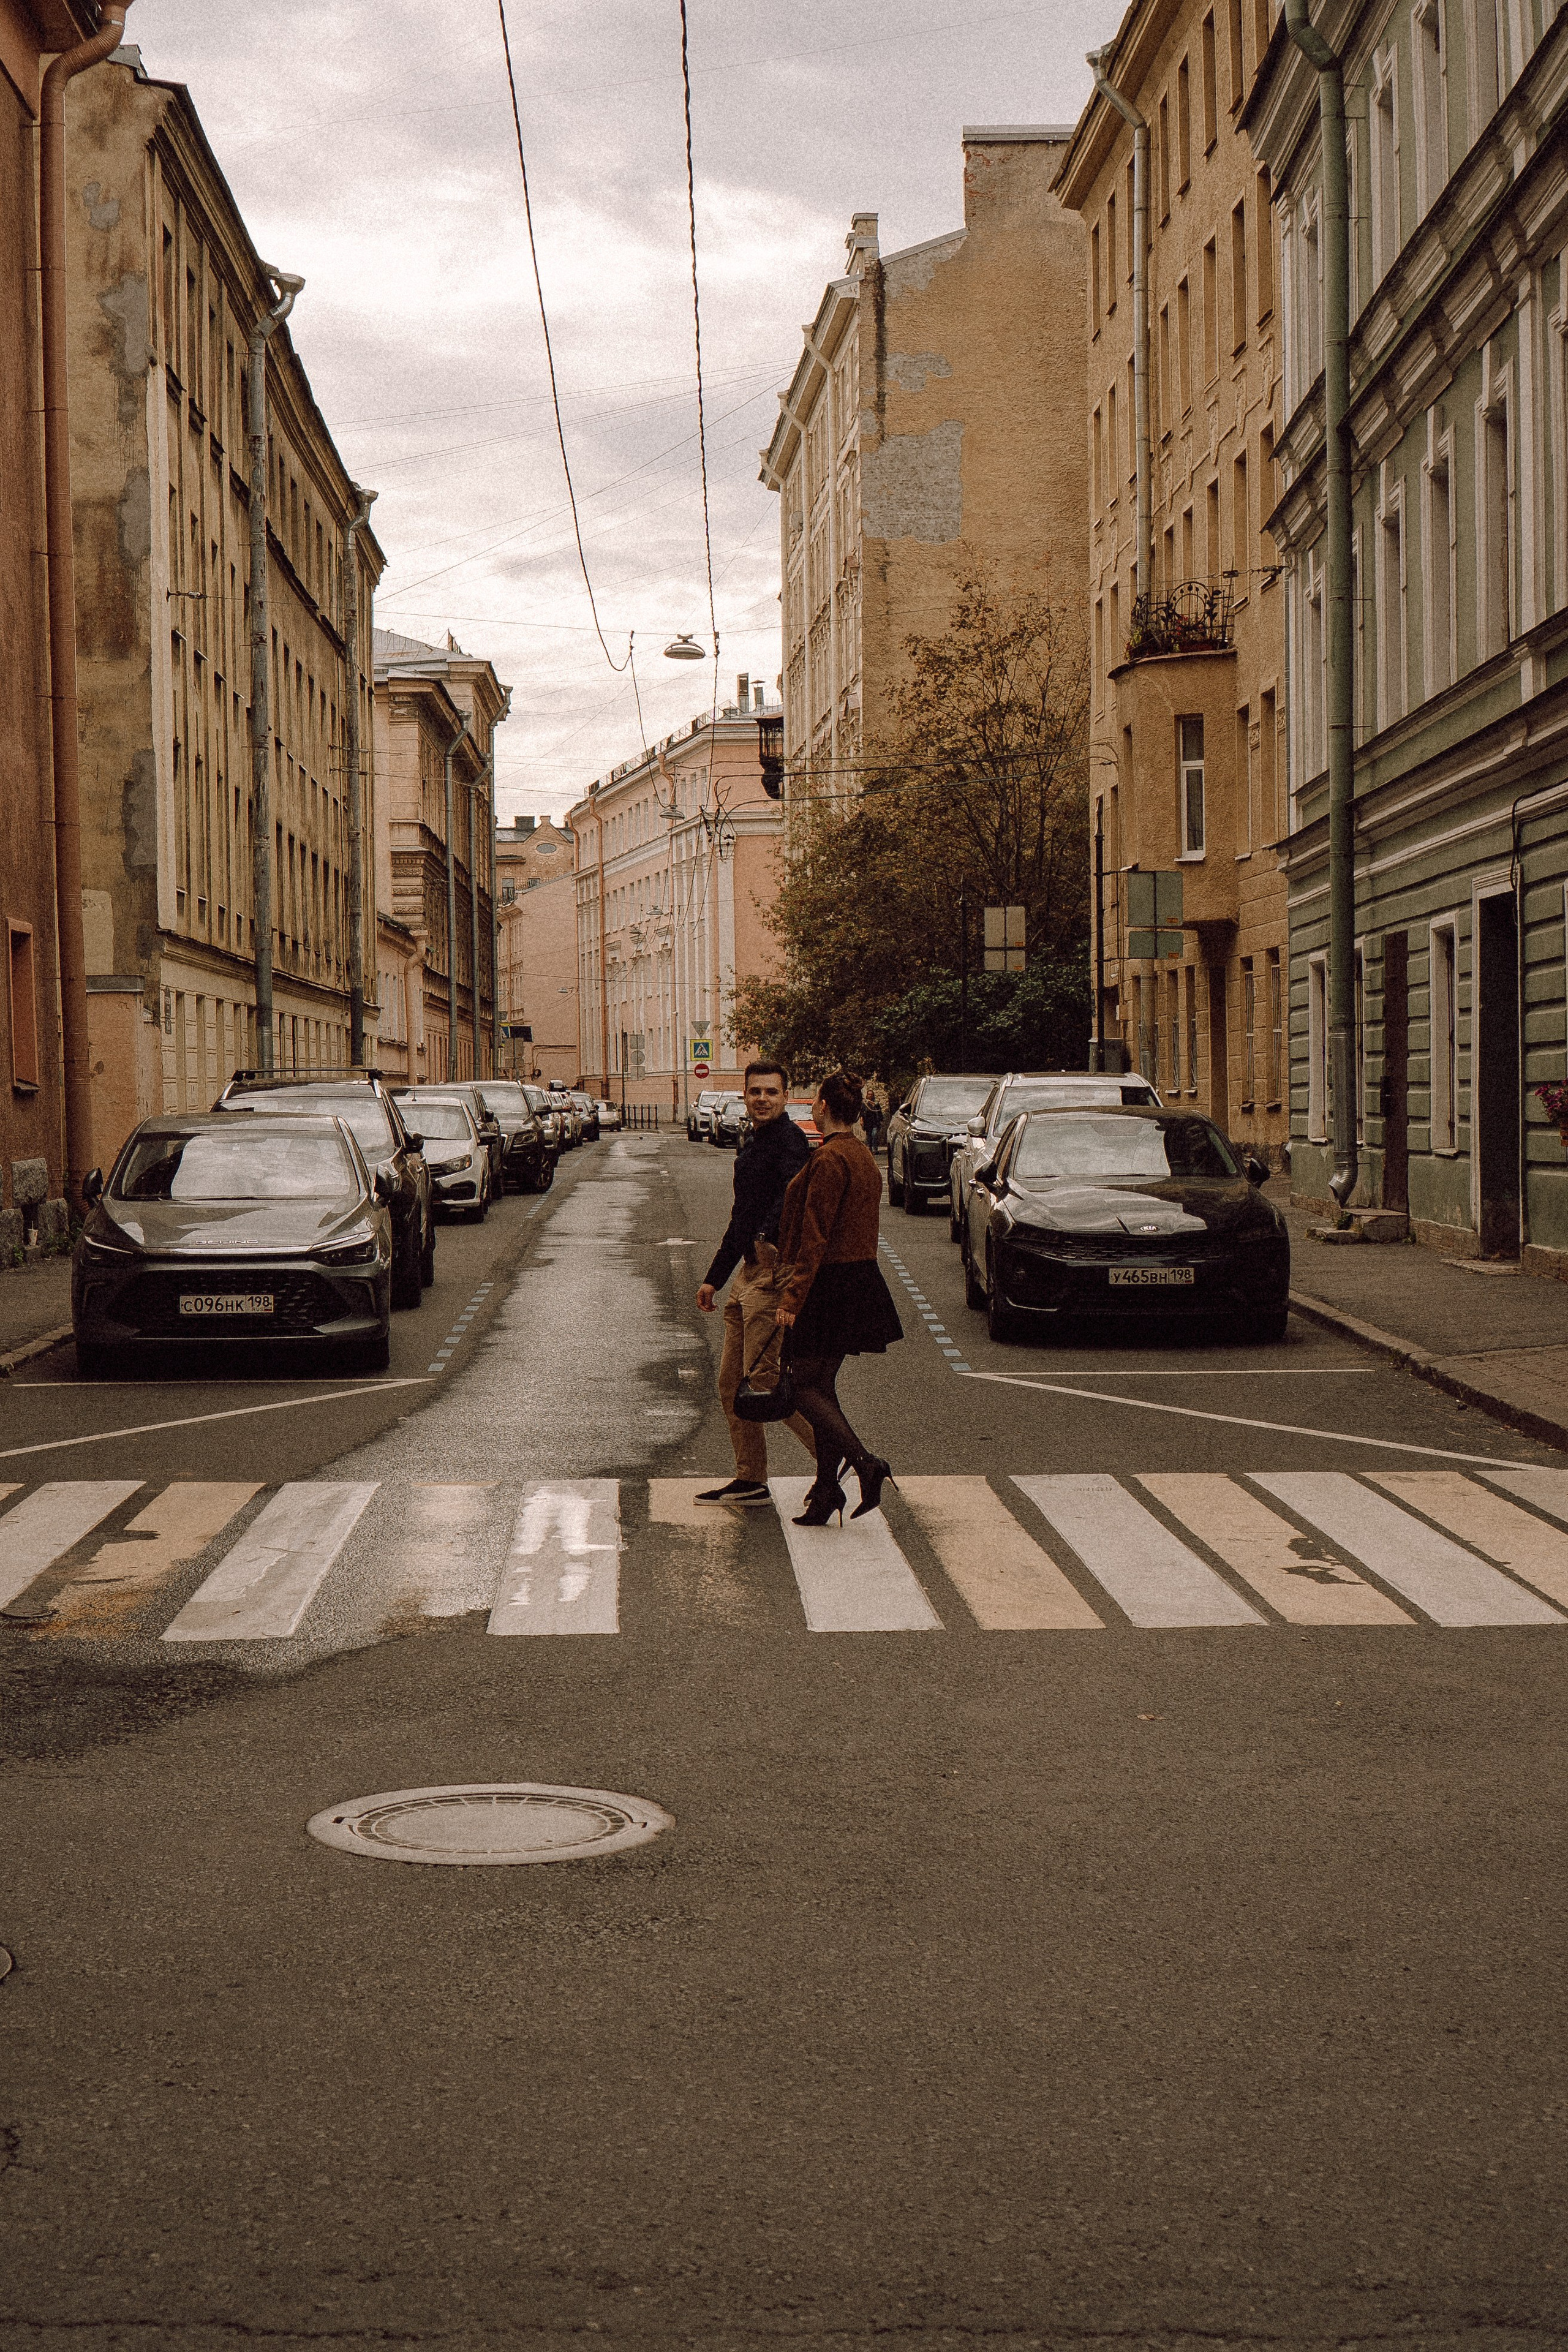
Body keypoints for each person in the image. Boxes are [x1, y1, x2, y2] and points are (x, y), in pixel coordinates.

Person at [773, 1069, 902, 1527]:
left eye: (815, 1099)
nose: (811, 1104)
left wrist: (792, 1297)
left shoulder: (830, 1160)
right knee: (821, 1386)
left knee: (804, 1385)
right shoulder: (862, 1155)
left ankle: (866, 1464)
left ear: (824, 1106)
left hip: (829, 1284)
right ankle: (827, 1491)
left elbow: (815, 1238)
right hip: (856, 1280)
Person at [695, 1060, 817, 1505]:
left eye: (771, 1092)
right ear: (744, 1097)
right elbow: (740, 1218)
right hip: (748, 1273)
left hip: (772, 1271)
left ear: (786, 1098)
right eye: (755, 1092)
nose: (762, 1099)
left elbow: (790, 1201)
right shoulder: (753, 1141)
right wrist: (714, 1278)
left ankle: (836, 1454)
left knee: (764, 1380)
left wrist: (767, 1241)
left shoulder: (790, 1142)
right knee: (732, 1384)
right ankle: (751, 1478)